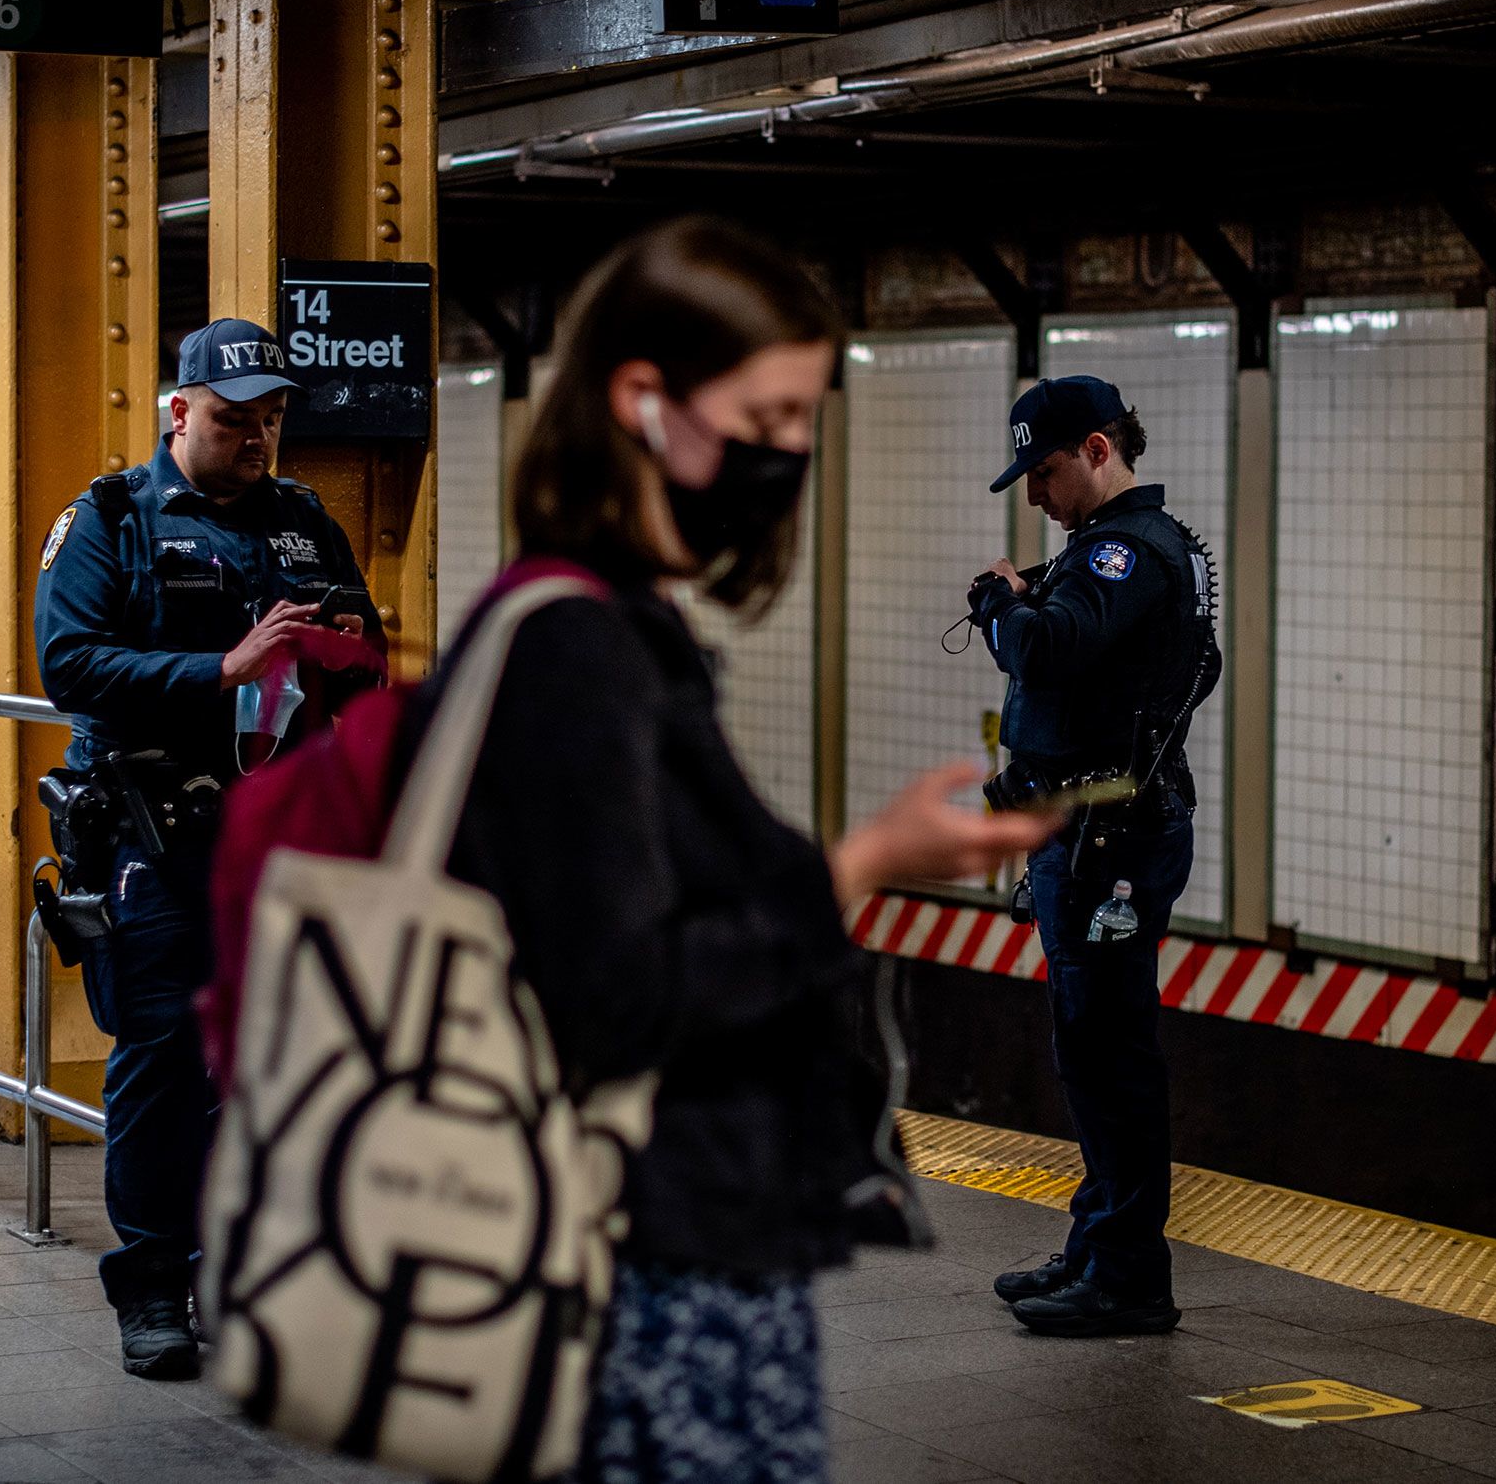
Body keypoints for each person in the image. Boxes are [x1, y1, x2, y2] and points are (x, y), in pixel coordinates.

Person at [398, 217, 1054, 1483]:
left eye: (806, 419)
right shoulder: (573, 648)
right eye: (764, 417)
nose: (790, 454)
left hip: (679, 1249)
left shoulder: (616, 625)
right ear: (641, 398)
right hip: (641, 1277)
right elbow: (615, 995)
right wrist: (855, 865)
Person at [34, 318, 375, 1379]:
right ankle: (152, 1283)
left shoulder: (306, 525)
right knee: (162, 1062)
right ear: (178, 411)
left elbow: (360, 654)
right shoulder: (109, 519)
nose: (255, 441)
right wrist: (220, 669)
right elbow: (69, 663)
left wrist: (346, 652)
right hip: (156, 837)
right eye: (234, 421)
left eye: (271, 422)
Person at [969, 373, 1221, 1337]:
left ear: (1101, 450)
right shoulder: (1162, 550)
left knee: (1108, 1052)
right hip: (1104, 831)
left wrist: (1002, 604)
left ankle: (1126, 1274)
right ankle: (1097, 1246)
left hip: (1109, 841)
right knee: (1093, 1045)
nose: (1035, 493)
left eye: (1044, 471)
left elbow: (1046, 649)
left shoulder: (1124, 553)